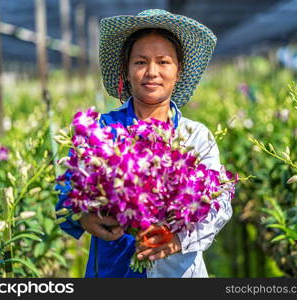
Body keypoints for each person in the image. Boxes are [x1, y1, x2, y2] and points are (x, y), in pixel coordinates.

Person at [55, 9, 233, 278]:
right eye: (140, 62)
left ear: (178, 71)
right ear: (126, 71)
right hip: (113, 270)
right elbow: (66, 193)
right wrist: (85, 218)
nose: (152, 72)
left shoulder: (196, 137)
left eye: (163, 62)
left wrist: (177, 239)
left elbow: (219, 204)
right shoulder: (100, 130)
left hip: (178, 272)